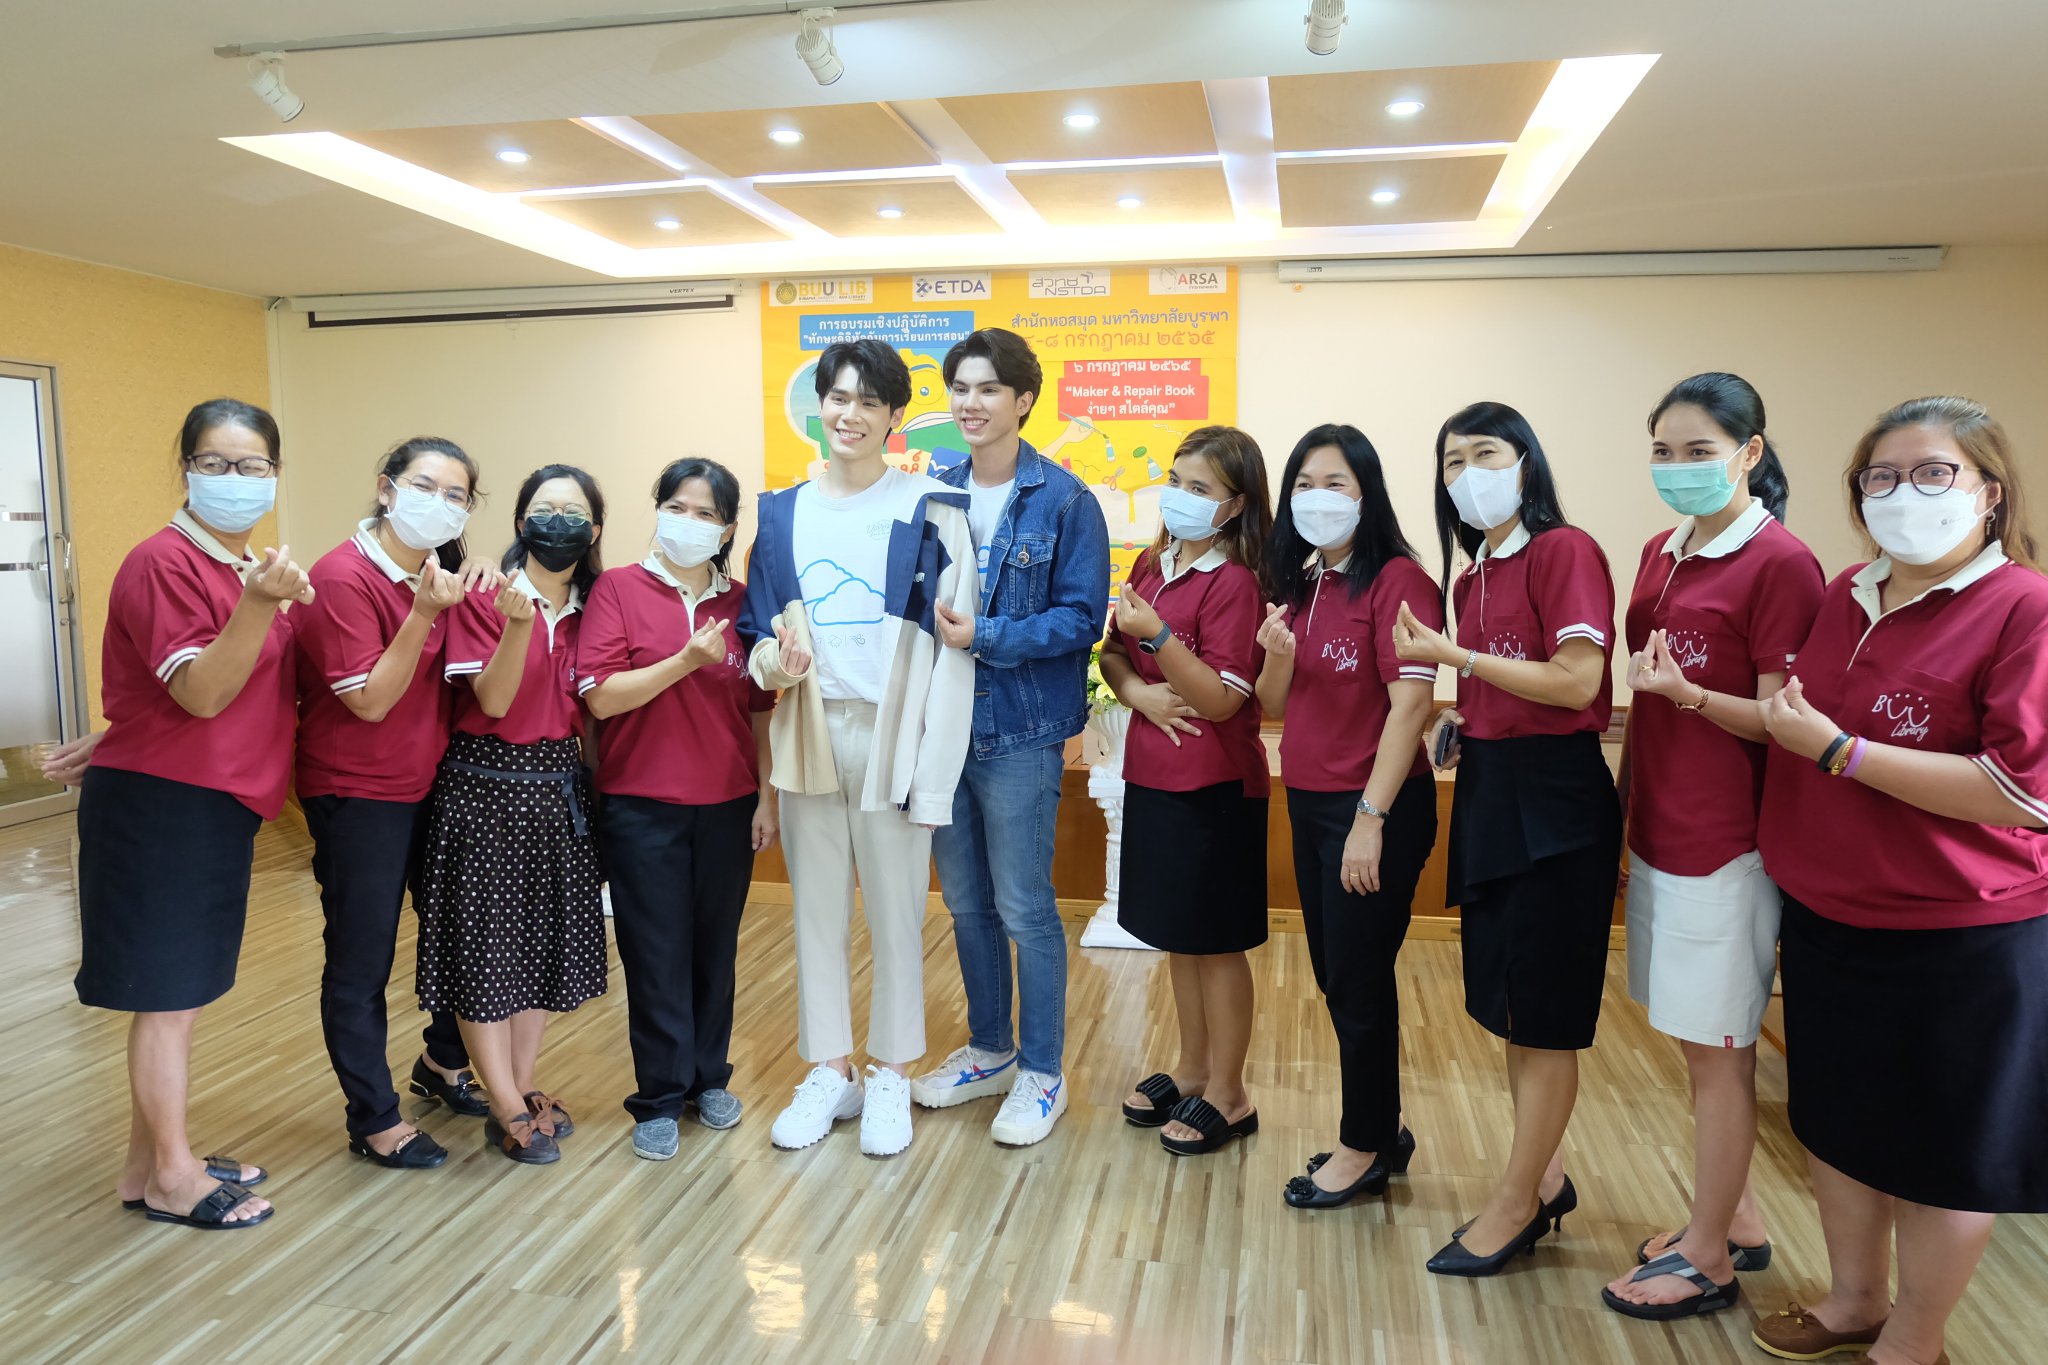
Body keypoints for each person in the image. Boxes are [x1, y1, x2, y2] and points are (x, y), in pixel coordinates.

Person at [1749, 397, 2048, 1365]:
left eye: (1931, 473)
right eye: (1879, 476)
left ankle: (1914, 1340)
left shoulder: (2024, 607)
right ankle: (1852, 1302)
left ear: (1989, 492)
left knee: (1940, 1154)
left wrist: (1840, 751)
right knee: (1836, 1125)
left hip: (1960, 935)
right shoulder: (1848, 591)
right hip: (1830, 916)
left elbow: (2021, 795)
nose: (1901, 494)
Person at [1601, 374, 1825, 1320]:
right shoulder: (1664, 549)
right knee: (1695, 1040)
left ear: (1750, 453)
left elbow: (1786, 721)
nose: (1678, 467)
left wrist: (1692, 695)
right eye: (1664, 451)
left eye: (1700, 451)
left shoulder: (1782, 563)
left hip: (1729, 842)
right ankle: (1736, 1217)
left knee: (1720, 1052)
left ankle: (1707, 1259)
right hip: (1660, 821)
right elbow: (1646, 693)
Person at [1391, 401, 1620, 1276]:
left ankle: (1518, 1201)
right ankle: (1545, 1175)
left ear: (1526, 461)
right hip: (1493, 790)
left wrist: (1459, 662)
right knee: (1514, 1007)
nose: (1467, 474)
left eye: (1485, 454)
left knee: (1546, 1019)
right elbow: (1505, 681)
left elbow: (1577, 681)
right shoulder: (1474, 572)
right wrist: (1465, 714)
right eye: (1451, 462)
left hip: (1555, 803)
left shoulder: (1565, 550)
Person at [67, 397, 306, 1228]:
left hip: (212, 799)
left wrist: (122, 728)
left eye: (251, 465)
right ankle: (172, 1174)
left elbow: (209, 690)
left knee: (181, 993)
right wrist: (260, 604)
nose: (233, 478)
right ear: (186, 469)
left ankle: (150, 1163)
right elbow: (201, 691)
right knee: (167, 998)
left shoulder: (244, 567)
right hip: (164, 806)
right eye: (214, 463)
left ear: (275, 473)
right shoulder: (162, 561)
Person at [740, 338, 977, 1158]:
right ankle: (830, 1068)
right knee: (815, 909)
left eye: (869, 401)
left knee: (897, 910)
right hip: (809, 728)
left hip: (895, 731)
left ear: (895, 415)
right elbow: (754, 635)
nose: (850, 414)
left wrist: (934, 764)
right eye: (838, 398)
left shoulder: (933, 507)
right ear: (820, 407)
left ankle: (890, 1072)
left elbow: (955, 649)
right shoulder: (780, 513)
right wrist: (777, 664)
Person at [914, 328, 1110, 1147]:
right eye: (960, 387)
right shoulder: (932, 492)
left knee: (1026, 905)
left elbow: (1081, 619)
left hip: (1021, 729)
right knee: (965, 903)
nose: (971, 403)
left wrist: (985, 635)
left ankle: (1042, 1070)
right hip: (940, 728)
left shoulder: (1065, 500)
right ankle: (990, 1048)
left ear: (1024, 399)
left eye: (989, 388)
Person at [294, 436, 495, 1169]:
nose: (440, 504)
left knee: (455, 934)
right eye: (424, 486)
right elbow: (372, 701)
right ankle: (374, 1116)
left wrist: (470, 582)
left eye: (456, 495)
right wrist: (424, 614)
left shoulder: (438, 573)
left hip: (429, 782)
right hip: (357, 792)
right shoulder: (341, 576)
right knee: (362, 956)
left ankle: (442, 1062)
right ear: (386, 488)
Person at [1255, 425, 1441, 1209]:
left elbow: (1412, 705)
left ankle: (1362, 1146)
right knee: (1338, 975)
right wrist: (1277, 653)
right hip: (1310, 799)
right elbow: (1272, 704)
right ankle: (1382, 1125)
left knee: (1357, 980)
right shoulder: (1304, 584)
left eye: (1334, 483)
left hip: (1374, 807)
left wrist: (1371, 817)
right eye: (1303, 483)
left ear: (1367, 493)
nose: (1316, 498)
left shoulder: (1399, 580)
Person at [580, 457, 778, 1161]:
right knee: (655, 952)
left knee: (714, 951)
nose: (689, 523)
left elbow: (759, 709)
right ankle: (659, 1096)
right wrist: (685, 661)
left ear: (727, 529)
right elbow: (602, 697)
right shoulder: (618, 589)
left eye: (706, 514)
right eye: (677, 508)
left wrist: (766, 796)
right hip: (641, 806)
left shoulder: (742, 603)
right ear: (658, 510)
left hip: (728, 803)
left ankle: (707, 1079)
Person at [414, 465, 609, 1165]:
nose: (559, 522)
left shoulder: (595, 608)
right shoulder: (484, 595)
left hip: (558, 793)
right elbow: (493, 701)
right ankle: (502, 1103)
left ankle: (522, 1085)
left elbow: (594, 711)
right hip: (485, 790)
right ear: (522, 520)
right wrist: (519, 625)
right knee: (486, 955)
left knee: (538, 952)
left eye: (574, 512)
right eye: (544, 509)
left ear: (595, 530)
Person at [1105, 425, 1275, 1156]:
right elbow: (1113, 657)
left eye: (1199, 488)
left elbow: (1222, 701)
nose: (1179, 496)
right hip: (1153, 775)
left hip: (1216, 788)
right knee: (1180, 934)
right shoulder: (1152, 562)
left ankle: (1230, 1093)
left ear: (1235, 505)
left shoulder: (1235, 582)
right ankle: (1193, 1069)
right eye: (1176, 480)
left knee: (1217, 942)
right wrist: (1138, 694)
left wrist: (1159, 637)